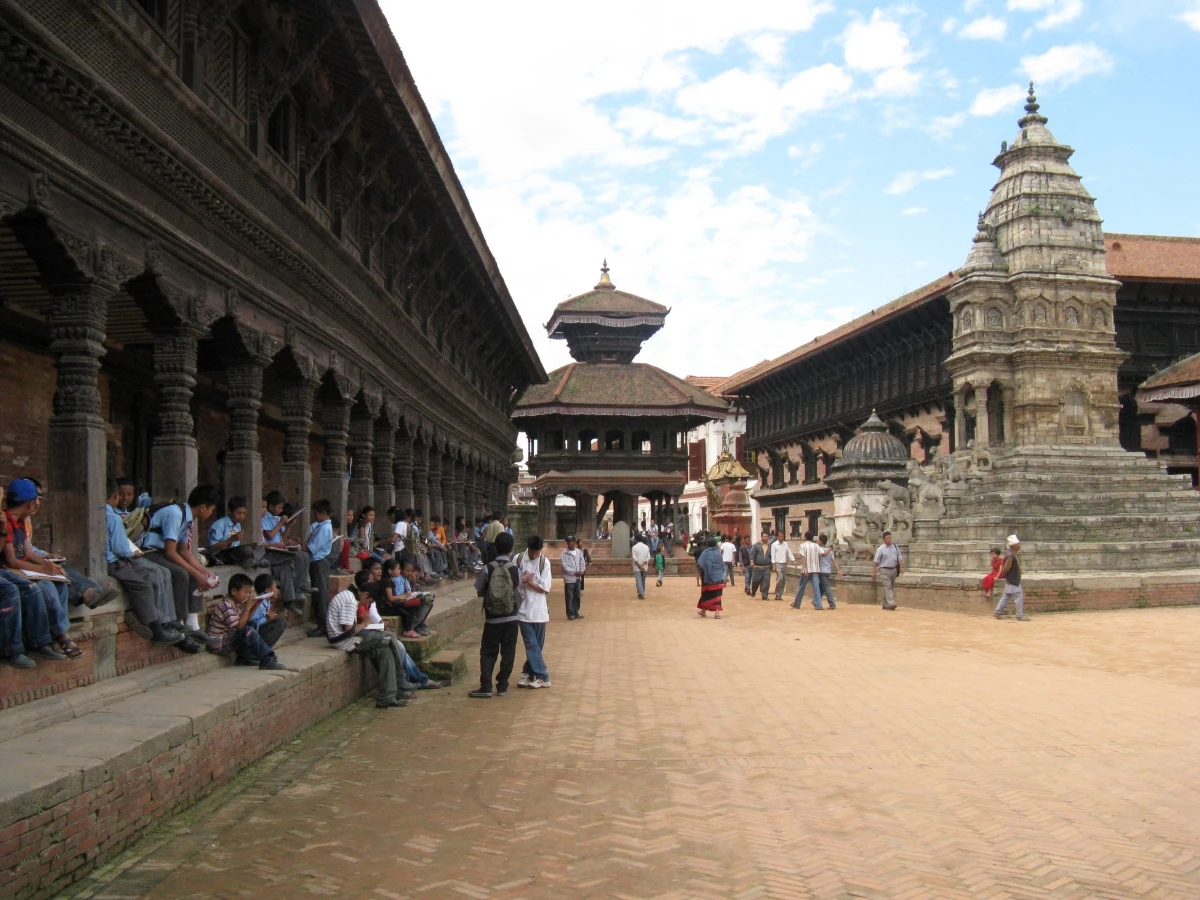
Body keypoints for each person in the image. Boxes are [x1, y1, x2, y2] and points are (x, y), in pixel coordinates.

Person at [104, 480, 194, 651]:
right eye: (121, 495)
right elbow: (119, 547)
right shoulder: (112, 517)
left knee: (162, 573)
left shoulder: (116, 515)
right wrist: (134, 553)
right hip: (116, 559)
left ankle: (169, 620)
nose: (124, 498)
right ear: (115, 496)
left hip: (124, 555)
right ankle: (156, 626)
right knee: (144, 584)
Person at [2, 479, 82, 658]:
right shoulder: (6, 521)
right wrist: (41, 570)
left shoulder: (21, 522)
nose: (38, 504)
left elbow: (28, 551)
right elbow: (12, 561)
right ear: (29, 503)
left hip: (26, 568)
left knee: (60, 584)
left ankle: (56, 633)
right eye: (36, 500)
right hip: (13, 570)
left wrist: (47, 564)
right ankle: (60, 636)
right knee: (43, 587)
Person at [141, 484, 222, 647]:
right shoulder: (175, 514)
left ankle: (192, 623)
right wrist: (196, 574)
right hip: (149, 552)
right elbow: (170, 552)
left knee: (192, 573)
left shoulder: (188, 518)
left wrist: (204, 572)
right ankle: (177, 623)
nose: (211, 513)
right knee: (180, 573)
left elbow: (185, 552)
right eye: (211, 509)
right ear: (203, 507)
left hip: (162, 553)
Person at [327, 583, 417, 709]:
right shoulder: (350, 600)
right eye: (369, 601)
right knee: (389, 637)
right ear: (364, 594)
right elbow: (349, 631)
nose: (366, 605)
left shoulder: (351, 597)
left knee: (385, 651)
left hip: (351, 638)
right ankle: (401, 682)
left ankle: (387, 697)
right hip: (345, 641)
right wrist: (365, 623)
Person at [469, 532, 521, 699]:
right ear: (511, 548)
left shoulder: (487, 568)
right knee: (508, 652)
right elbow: (517, 592)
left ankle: (485, 686)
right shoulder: (514, 569)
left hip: (492, 619)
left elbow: (479, 591)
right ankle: (502, 686)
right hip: (511, 618)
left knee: (487, 652)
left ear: (496, 547)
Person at [205, 573, 287, 669]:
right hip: (220, 645)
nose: (248, 595)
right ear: (234, 591)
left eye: (249, 593)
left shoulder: (236, 604)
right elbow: (240, 626)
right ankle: (267, 658)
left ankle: (247, 657)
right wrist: (248, 607)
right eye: (246, 592)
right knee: (247, 630)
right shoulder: (226, 605)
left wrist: (256, 605)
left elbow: (246, 621)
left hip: (229, 639)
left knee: (253, 623)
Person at [261, 491, 311, 613]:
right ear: (270, 506)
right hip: (269, 553)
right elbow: (270, 534)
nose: (281, 510)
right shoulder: (264, 519)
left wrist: (289, 528)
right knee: (296, 557)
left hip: (279, 553)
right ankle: (298, 589)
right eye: (279, 507)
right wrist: (281, 523)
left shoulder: (277, 519)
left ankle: (292, 598)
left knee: (290, 565)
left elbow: (282, 539)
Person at [515, 534, 552, 690]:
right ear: (527, 548)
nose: (535, 555)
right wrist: (521, 580)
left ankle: (528, 673)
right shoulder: (518, 559)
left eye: (537, 552)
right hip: (522, 610)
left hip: (539, 610)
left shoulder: (545, 563)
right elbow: (512, 580)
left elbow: (545, 588)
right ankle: (543, 676)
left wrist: (530, 582)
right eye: (532, 552)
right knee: (531, 643)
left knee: (537, 645)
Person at [306, 499, 335, 637]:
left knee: (320, 593)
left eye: (316, 513)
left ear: (323, 513)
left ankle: (323, 624)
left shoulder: (324, 528)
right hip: (316, 561)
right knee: (319, 592)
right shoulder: (320, 526)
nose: (314, 516)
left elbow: (313, 547)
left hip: (319, 561)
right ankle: (322, 622)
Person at [208, 496, 254, 566]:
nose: (242, 516)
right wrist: (231, 540)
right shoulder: (219, 524)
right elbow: (213, 547)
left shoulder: (238, 525)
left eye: (244, 513)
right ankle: (254, 561)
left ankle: (251, 560)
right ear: (229, 511)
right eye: (239, 513)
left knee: (259, 547)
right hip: (220, 555)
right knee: (245, 549)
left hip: (233, 553)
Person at [993, 535, 1028, 621]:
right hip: (1013, 580)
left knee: (1006, 596)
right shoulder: (1011, 555)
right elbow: (1005, 569)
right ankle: (1019, 615)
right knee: (1019, 597)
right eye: (1018, 544)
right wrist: (1010, 576)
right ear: (1013, 545)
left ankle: (997, 612)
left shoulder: (1012, 554)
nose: (1019, 546)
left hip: (1011, 579)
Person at [250, 573, 288, 649]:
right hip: (250, 637)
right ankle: (260, 653)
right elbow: (250, 625)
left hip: (257, 634)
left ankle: (266, 651)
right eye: (275, 587)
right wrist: (266, 619)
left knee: (281, 622)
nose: (277, 590)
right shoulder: (259, 604)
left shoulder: (267, 602)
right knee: (280, 624)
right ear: (267, 590)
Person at [696, 536, 726, 619]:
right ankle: (716, 614)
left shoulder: (705, 553)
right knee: (717, 596)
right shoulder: (718, 553)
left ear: (707, 544)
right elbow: (721, 565)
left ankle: (703, 611)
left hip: (708, 577)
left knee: (706, 595)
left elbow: (700, 564)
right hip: (719, 577)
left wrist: (701, 575)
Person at [792, 532, 824, 610]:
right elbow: (822, 553)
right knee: (816, 588)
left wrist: (805, 568)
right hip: (815, 569)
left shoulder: (802, 545)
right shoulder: (816, 545)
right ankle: (818, 604)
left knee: (801, 587)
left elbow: (803, 557)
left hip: (807, 570)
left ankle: (797, 604)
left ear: (805, 537)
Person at [872, 530, 902, 611]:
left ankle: (885, 604)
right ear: (883, 539)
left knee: (890, 586)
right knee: (887, 586)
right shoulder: (880, 549)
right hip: (884, 569)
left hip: (893, 569)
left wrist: (901, 567)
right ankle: (891, 602)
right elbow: (876, 561)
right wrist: (874, 572)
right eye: (887, 538)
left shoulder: (895, 547)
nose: (889, 539)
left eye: (890, 538)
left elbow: (899, 557)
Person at [560, 535, 585, 620]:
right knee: (569, 596)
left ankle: (576, 612)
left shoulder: (578, 552)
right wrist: (574, 572)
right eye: (568, 541)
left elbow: (582, 562)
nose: (569, 543)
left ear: (574, 542)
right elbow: (564, 566)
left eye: (570, 541)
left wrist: (581, 570)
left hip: (578, 578)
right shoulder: (564, 553)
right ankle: (570, 613)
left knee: (577, 596)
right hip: (569, 579)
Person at [816, 534, 842, 609]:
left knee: (826, 587)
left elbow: (823, 554)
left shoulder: (819, 549)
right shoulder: (830, 551)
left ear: (820, 541)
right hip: (828, 571)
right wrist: (838, 570)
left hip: (822, 571)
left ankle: (832, 603)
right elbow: (834, 561)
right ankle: (817, 600)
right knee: (822, 586)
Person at [771, 532, 795, 600]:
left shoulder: (786, 544)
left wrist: (793, 560)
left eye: (782, 536)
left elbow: (789, 552)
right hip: (778, 563)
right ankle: (776, 589)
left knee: (783, 580)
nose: (781, 538)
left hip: (784, 563)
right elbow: (773, 555)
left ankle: (779, 595)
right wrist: (773, 565)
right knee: (780, 578)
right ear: (778, 537)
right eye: (780, 536)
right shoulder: (774, 545)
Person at [749, 531, 772, 598]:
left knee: (766, 582)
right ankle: (753, 591)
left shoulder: (770, 546)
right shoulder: (756, 545)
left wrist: (773, 564)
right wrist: (751, 561)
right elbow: (752, 554)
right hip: (757, 567)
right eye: (764, 536)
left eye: (767, 537)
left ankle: (764, 595)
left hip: (767, 567)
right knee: (755, 581)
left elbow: (773, 556)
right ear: (761, 537)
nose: (766, 538)